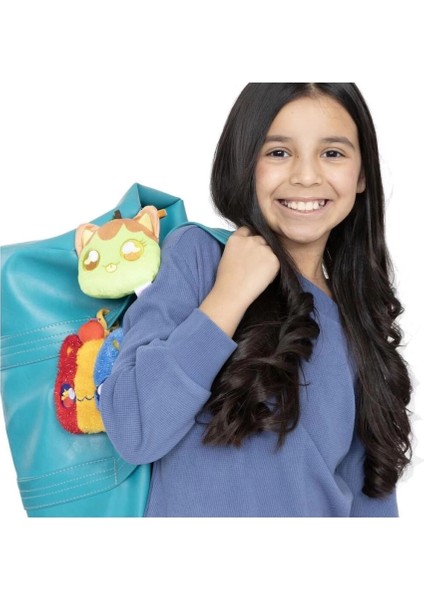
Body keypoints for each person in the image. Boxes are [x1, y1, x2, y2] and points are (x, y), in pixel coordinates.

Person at [99, 83, 412, 517]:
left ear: (361, 175)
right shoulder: (200, 257)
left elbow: (371, 497)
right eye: (279, 152)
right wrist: (228, 297)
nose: (306, 176)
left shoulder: (358, 322)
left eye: (332, 153)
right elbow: (134, 430)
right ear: (244, 163)